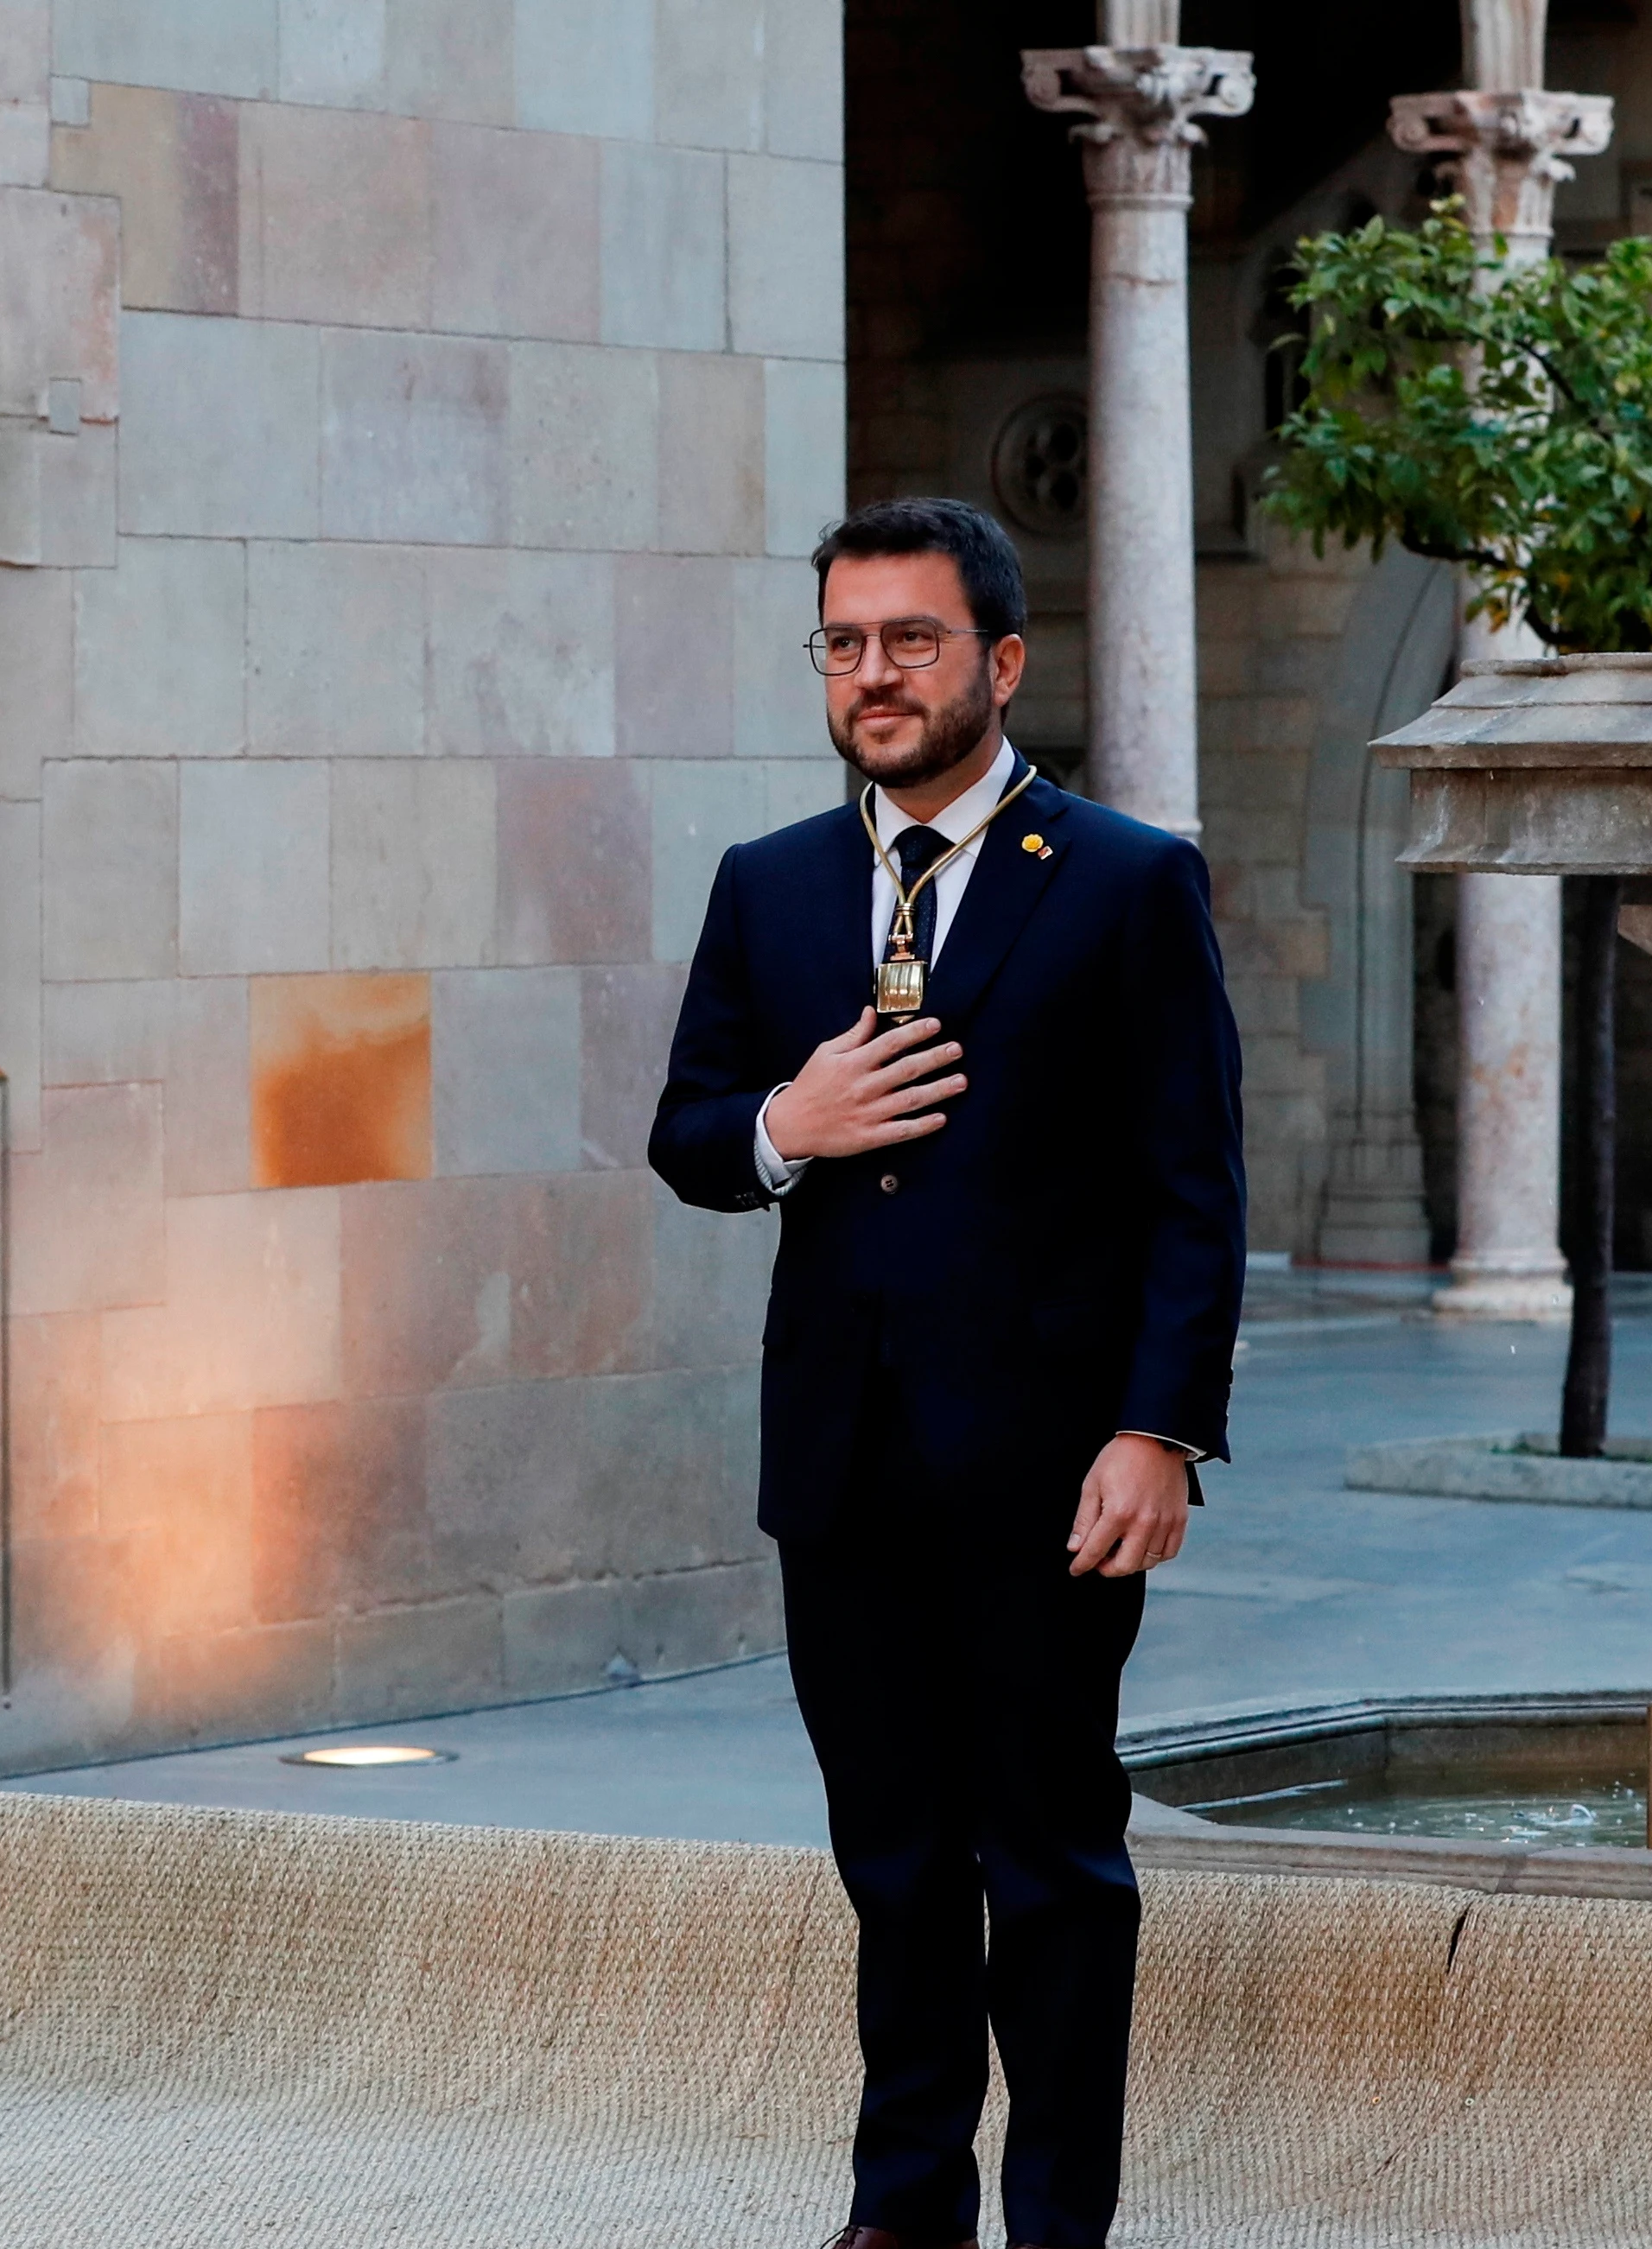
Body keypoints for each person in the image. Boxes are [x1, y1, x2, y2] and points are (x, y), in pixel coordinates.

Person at [645, 498, 1246, 2249]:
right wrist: (786, 1121)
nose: (871, 673)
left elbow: (1193, 1189)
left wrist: (1158, 1428)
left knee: (1049, 1861)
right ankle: (903, 2208)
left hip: (1053, 1467)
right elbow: (690, 1134)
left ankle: (1057, 2221)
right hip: (838, 1462)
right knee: (893, 1860)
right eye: (843, 641)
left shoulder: (1129, 878)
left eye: (908, 639)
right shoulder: (771, 883)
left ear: (999, 658)